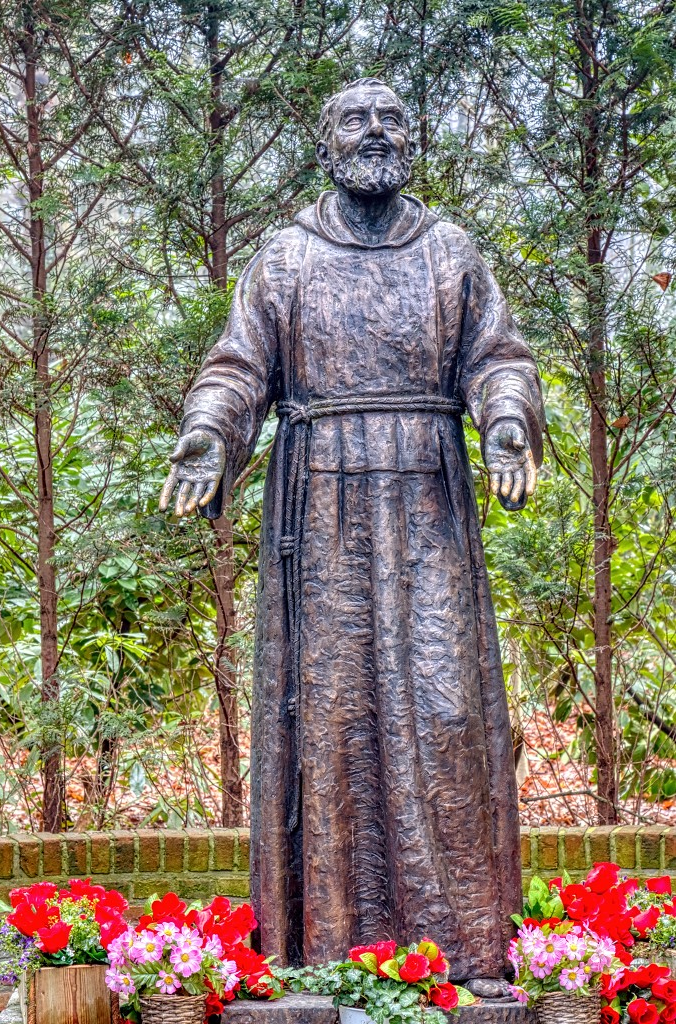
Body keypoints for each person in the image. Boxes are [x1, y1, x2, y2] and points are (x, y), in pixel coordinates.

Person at [160, 79, 544, 991]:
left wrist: (504, 419)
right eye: (355, 120)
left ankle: (462, 950)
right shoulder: (287, 256)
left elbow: (497, 356)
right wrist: (209, 431)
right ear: (325, 143)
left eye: (391, 119)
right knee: (330, 720)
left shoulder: (449, 251)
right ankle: (326, 954)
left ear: (411, 138)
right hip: (321, 512)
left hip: (427, 507)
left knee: (445, 713)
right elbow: (238, 365)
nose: (376, 132)